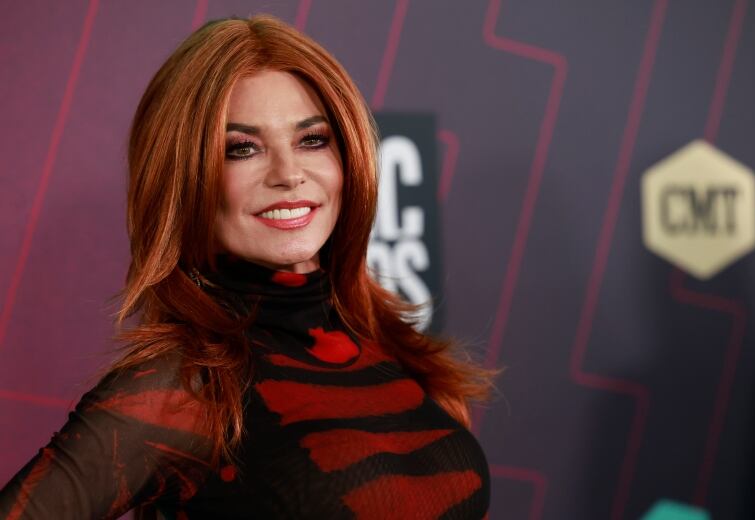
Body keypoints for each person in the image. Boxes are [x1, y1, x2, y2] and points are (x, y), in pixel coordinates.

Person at [0, 14, 495, 519]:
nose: (288, 174)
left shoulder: (391, 347)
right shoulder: (186, 385)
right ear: (184, 180)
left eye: (312, 140)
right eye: (242, 149)